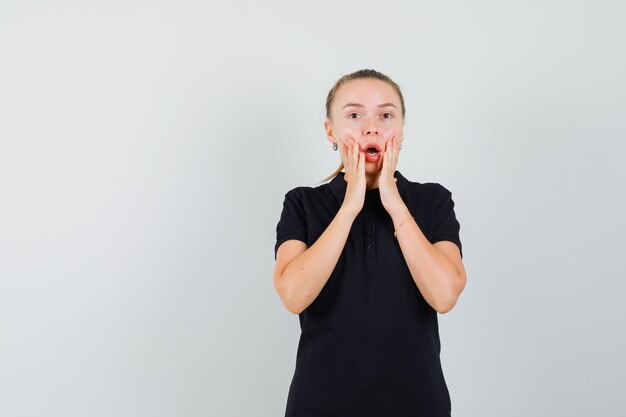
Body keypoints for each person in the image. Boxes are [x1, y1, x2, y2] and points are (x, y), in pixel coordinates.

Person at [273, 69, 467, 417]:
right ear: (330, 131)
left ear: (401, 131)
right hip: (319, 404)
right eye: (354, 114)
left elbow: (444, 295)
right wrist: (350, 205)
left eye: (386, 115)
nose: (371, 127)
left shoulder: (433, 200)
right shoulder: (302, 203)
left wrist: (392, 200)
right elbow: (293, 294)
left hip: (418, 404)